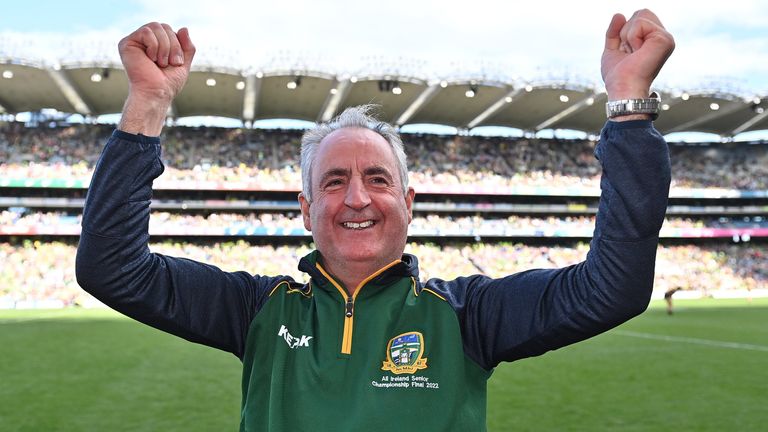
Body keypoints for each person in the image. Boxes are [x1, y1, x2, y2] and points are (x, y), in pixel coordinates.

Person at [76, 10, 675, 431]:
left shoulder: (469, 317)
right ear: (307, 210)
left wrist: (627, 109)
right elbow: (111, 269)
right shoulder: (257, 310)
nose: (357, 198)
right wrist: (148, 105)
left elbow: (612, 289)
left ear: (408, 203)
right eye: (334, 182)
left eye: (378, 179)